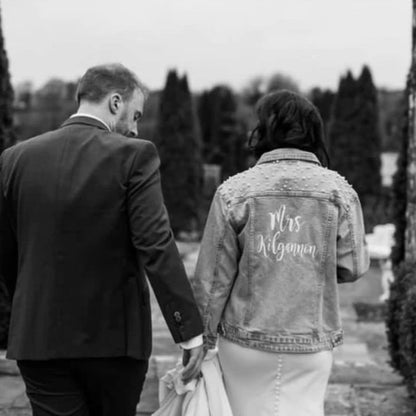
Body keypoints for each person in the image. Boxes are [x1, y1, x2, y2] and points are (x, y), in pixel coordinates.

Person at [0, 63, 204, 416]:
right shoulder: (135, 155)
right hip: (113, 344)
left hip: (38, 338)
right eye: (135, 114)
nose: (135, 127)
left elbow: (5, 252)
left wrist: (29, 305)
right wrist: (189, 333)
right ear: (114, 102)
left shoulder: (15, 159)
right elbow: (156, 244)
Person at [192, 90, 370, 416]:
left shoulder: (234, 191)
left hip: (245, 344)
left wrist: (200, 340)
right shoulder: (339, 191)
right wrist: (310, 262)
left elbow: (212, 280)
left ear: (263, 132)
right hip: (311, 341)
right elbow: (354, 265)